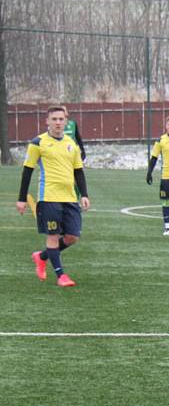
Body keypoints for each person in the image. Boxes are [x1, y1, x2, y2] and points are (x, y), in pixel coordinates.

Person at [16, 105, 91, 287]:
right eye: (54, 119)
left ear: (66, 121)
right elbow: (27, 171)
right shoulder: (38, 142)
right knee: (53, 235)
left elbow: (78, 171)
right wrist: (22, 198)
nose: (58, 122)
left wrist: (84, 194)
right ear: (47, 121)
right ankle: (61, 276)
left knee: (72, 236)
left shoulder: (71, 144)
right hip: (48, 197)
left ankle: (41, 257)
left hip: (70, 197)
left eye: (61, 119)